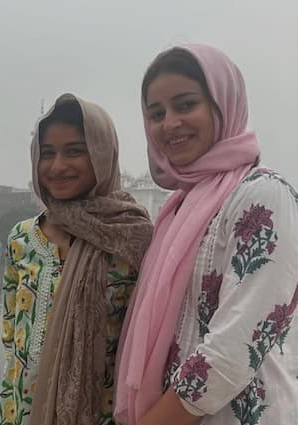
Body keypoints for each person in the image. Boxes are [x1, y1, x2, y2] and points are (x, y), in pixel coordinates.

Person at [115, 44, 298, 425]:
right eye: (156, 113)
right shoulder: (179, 208)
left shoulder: (262, 195)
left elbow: (235, 346)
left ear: (223, 105)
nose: (169, 123)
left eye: (185, 105)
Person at [0, 94, 154, 425]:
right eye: (47, 154)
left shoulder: (132, 238)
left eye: (75, 151)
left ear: (102, 154)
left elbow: (146, 345)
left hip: (98, 413)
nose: (57, 166)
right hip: (18, 409)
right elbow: (11, 331)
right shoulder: (22, 238)